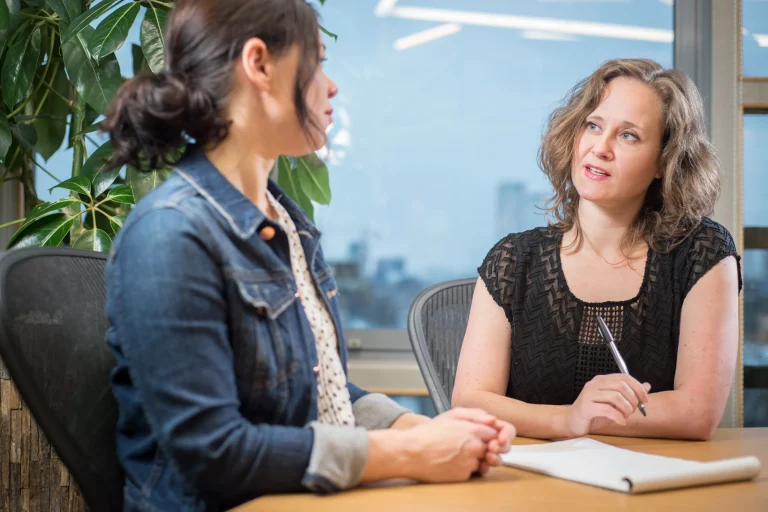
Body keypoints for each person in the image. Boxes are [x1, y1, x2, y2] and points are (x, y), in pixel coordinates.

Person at [101, 1, 514, 511]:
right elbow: (213, 452)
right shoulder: (170, 234)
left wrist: (420, 428)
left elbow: (322, 387)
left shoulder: (286, 221)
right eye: (317, 62)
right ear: (259, 65)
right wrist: (406, 452)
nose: (332, 86)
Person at [452, 58, 742, 442]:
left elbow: (696, 413)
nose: (600, 148)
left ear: (663, 161)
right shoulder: (513, 261)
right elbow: (470, 402)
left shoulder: (701, 254)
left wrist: (580, 419)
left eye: (629, 136)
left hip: (652, 488)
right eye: (593, 126)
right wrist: (569, 419)